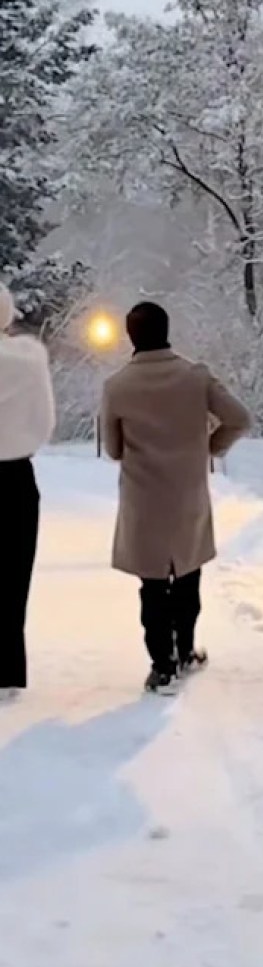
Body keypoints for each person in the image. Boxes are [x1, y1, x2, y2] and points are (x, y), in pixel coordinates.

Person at [100, 302, 251, 693]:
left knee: (152, 586)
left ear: (130, 336)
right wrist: (209, 447)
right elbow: (240, 419)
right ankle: (185, 651)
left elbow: (114, 449)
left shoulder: (117, 386)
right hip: (187, 495)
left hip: (143, 499)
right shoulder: (195, 377)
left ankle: (161, 666)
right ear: (167, 330)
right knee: (187, 577)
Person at [0, 282, 56, 701]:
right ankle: (6, 668)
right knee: (12, 578)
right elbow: (45, 423)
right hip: (15, 478)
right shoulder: (30, 362)